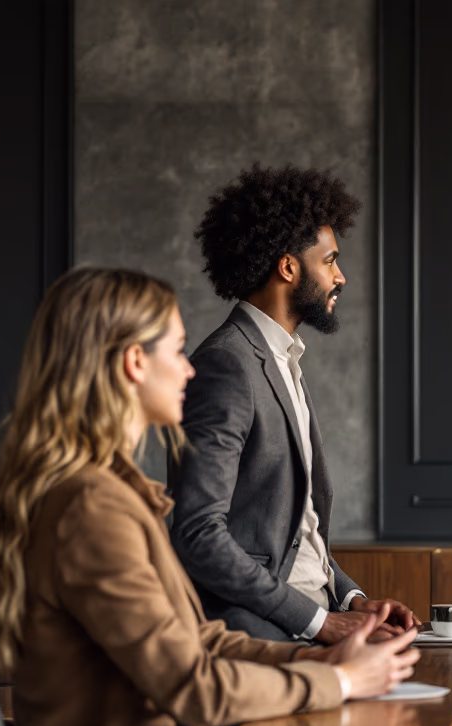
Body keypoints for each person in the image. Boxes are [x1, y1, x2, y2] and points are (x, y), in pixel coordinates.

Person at [0, 267, 420, 726]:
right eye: (180, 349)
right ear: (133, 363)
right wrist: (339, 681)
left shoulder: (112, 491)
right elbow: (191, 688)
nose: (191, 367)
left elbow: (200, 640)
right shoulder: (91, 507)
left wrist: (321, 659)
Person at [170, 164, 419, 643]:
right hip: (262, 633)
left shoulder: (283, 360)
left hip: (310, 619)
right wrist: (321, 623)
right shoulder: (228, 364)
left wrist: (352, 601)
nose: (340, 276)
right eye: (329, 261)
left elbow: (293, 528)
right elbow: (198, 532)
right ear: (288, 267)